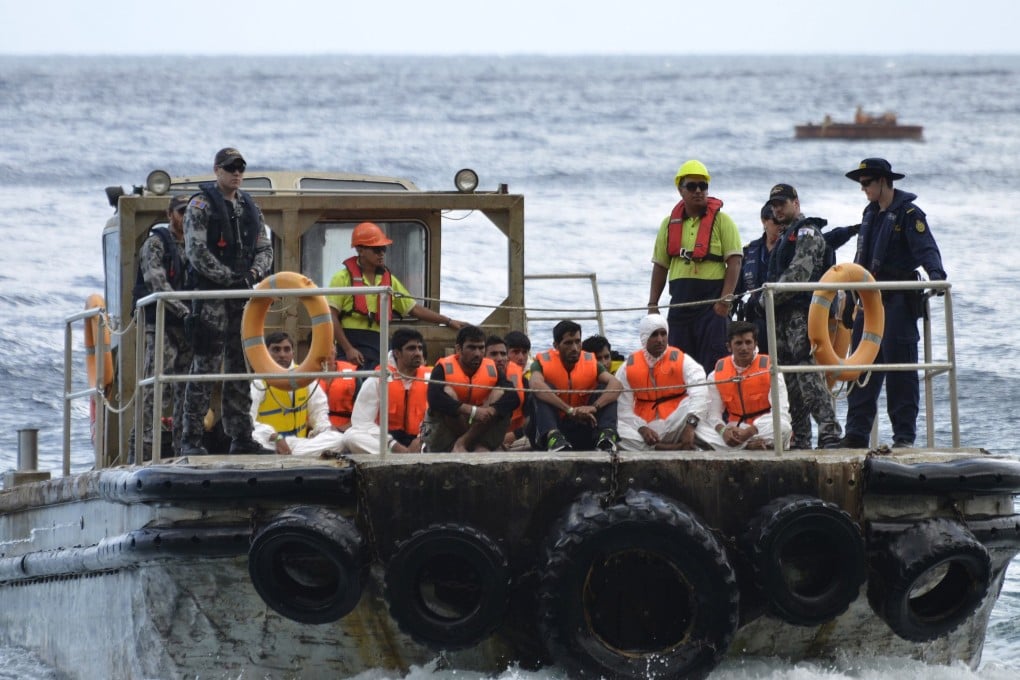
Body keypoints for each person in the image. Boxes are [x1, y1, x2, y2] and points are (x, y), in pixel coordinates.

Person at [836, 158, 947, 449]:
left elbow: (926, 248)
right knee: (860, 370)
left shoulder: (910, 214)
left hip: (897, 301)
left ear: (884, 181)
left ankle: (903, 438)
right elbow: (860, 261)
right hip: (867, 303)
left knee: (901, 371)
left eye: (867, 183)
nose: (863, 189)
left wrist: (936, 275)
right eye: (861, 184)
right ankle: (856, 435)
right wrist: (849, 297)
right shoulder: (870, 213)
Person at [181, 148, 274, 456]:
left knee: (240, 368)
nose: (237, 173)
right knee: (205, 368)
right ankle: (190, 438)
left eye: (241, 168)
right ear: (217, 170)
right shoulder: (200, 205)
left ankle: (241, 436)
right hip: (210, 299)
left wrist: (251, 275)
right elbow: (196, 253)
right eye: (231, 168)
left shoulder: (250, 207)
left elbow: (264, 248)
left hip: (241, 298)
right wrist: (227, 277)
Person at [764, 183, 842, 449]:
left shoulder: (807, 232)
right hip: (783, 315)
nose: (777, 209)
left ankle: (829, 431)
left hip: (802, 312)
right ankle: (801, 437)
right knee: (790, 379)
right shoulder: (784, 237)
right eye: (774, 205)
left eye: (782, 204)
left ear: (795, 203)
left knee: (807, 373)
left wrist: (768, 295)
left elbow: (800, 271)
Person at [326, 221, 467, 368]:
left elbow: (414, 309)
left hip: (378, 343)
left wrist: (448, 321)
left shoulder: (389, 281)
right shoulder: (341, 278)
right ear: (360, 250)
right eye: (376, 249)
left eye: (383, 249)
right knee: (350, 383)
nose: (381, 253)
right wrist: (348, 349)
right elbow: (331, 316)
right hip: (350, 342)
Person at [648, 159, 743, 371]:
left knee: (715, 363)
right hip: (680, 304)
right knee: (679, 364)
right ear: (680, 190)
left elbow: (735, 262)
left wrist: (725, 300)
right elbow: (661, 266)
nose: (698, 191)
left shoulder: (723, 221)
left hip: (713, 306)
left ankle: (713, 404)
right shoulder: (668, 224)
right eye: (692, 186)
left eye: (703, 186)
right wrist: (652, 304)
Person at [129, 193, 194, 461]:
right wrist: (184, 310)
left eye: (190, 212)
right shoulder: (156, 244)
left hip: (189, 328)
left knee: (186, 388)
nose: (186, 217)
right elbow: (157, 282)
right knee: (156, 389)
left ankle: (183, 446)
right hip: (162, 326)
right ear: (170, 215)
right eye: (181, 212)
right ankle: (142, 450)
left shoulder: (197, 246)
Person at [615, 315, 715, 451]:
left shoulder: (683, 360)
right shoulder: (627, 368)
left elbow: (700, 392)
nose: (660, 340)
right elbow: (623, 409)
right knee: (615, 429)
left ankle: (678, 441)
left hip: (678, 424)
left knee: (694, 401)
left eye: (663, 334)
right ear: (644, 338)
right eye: (654, 335)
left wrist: (690, 426)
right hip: (647, 430)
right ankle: (668, 448)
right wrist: (642, 428)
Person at [528, 320, 622, 452]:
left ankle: (606, 437)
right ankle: (553, 438)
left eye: (578, 342)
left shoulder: (591, 362)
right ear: (556, 345)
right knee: (541, 390)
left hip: (585, 425)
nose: (574, 348)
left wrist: (594, 407)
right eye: (568, 343)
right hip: (556, 425)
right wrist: (569, 410)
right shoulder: (542, 363)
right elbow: (535, 384)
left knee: (605, 388)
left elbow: (616, 384)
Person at [423, 325, 519, 452]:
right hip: (448, 433)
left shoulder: (492, 368)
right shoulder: (443, 368)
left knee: (500, 392)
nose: (478, 353)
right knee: (447, 392)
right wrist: (472, 411)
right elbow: (434, 398)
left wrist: (491, 410)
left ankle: (465, 442)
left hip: (482, 431)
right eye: (471, 348)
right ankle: (465, 444)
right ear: (458, 349)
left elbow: (513, 398)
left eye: (481, 348)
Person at [250, 332, 346, 456]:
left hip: (300, 443)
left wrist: (323, 429)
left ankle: (292, 454)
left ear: (293, 353)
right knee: (254, 438)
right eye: (276, 350)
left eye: (286, 349)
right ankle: (293, 454)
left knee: (338, 440)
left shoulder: (305, 377)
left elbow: (319, 412)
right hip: (272, 442)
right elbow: (248, 421)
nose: (282, 355)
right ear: (266, 352)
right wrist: (275, 437)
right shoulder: (259, 381)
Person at [702, 321, 792, 451]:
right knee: (698, 427)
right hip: (735, 430)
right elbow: (713, 415)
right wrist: (723, 432)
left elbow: (781, 412)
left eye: (748, 342)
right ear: (729, 346)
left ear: (755, 344)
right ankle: (748, 446)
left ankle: (739, 446)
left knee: (784, 427)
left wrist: (749, 432)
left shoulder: (771, 369)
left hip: (762, 428)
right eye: (738, 343)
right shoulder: (715, 374)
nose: (744, 348)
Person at [346, 328, 431, 454]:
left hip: (420, 441)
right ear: (397, 353)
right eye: (411, 348)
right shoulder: (377, 379)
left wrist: (421, 438)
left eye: (419, 348)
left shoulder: (431, 379)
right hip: (386, 442)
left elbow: (438, 419)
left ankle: (408, 456)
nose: (418, 353)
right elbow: (362, 422)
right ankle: (399, 458)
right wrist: (393, 444)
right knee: (351, 436)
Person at [734, 202, 784, 355]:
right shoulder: (751, 250)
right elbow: (737, 289)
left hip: (783, 315)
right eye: (775, 221)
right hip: (757, 318)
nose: (780, 226)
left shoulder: (791, 248)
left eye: (782, 222)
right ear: (764, 221)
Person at [486, 335, 529, 450]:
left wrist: (512, 436)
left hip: (514, 438)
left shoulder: (524, 381)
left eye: (503, 354)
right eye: (494, 354)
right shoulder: (472, 380)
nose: (499, 358)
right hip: (481, 437)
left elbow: (530, 419)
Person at [319, 347, 362, 432]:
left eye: (329, 348)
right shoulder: (306, 377)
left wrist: (341, 429)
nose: (326, 354)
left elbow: (362, 413)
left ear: (335, 351)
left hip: (347, 430)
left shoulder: (354, 376)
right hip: (317, 429)